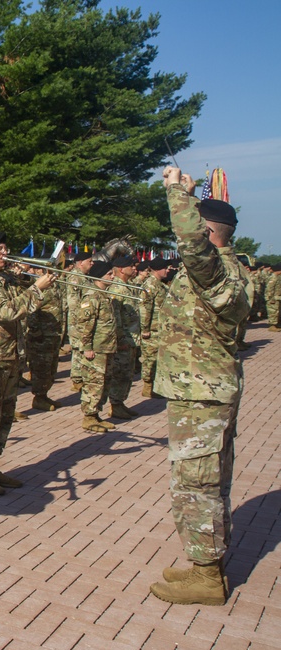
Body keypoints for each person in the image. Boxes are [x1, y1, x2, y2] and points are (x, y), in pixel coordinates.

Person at [148, 166, 253, 606]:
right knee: (207, 482)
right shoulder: (224, 271)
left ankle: (207, 577)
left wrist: (177, 192)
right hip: (202, 392)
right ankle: (203, 561)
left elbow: (191, 245)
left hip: (202, 396)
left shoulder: (218, 272)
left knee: (197, 485)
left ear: (209, 231)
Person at [0, 232, 55, 495]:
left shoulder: (2, 280)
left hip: (10, 355)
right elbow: (7, 311)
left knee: (5, 415)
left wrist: (26, 278)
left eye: (6, 248)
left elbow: (27, 305)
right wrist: (37, 288)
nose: (5, 253)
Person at [76, 261, 119, 433]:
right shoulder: (92, 296)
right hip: (96, 349)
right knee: (94, 383)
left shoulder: (104, 295)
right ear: (99, 276)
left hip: (106, 347)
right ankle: (88, 417)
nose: (113, 276)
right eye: (109, 274)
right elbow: (85, 324)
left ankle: (96, 414)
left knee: (104, 382)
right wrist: (87, 347)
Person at [25, 261, 65, 412]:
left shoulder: (55, 286)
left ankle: (44, 395)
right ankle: (39, 397)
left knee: (51, 368)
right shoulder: (38, 287)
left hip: (53, 334)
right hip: (41, 337)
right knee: (41, 368)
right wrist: (36, 334)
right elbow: (32, 312)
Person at [108, 257, 140, 419]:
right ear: (121, 269)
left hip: (132, 337)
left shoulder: (128, 287)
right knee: (120, 372)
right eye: (131, 266)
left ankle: (120, 402)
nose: (134, 268)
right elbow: (115, 316)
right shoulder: (117, 289)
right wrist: (120, 339)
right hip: (124, 339)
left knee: (128, 372)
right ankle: (115, 404)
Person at [139, 257, 170, 396]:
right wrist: (145, 329)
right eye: (165, 268)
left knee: (157, 359)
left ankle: (155, 386)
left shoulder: (159, 284)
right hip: (152, 330)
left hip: (160, 328)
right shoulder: (150, 285)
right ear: (158, 269)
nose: (167, 270)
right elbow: (146, 309)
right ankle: (148, 387)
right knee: (150, 359)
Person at [65, 251, 94, 392]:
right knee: (77, 349)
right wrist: (80, 321)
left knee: (80, 349)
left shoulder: (83, 277)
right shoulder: (75, 278)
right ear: (81, 262)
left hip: (82, 319)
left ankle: (80, 378)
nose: (92, 263)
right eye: (90, 261)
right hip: (78, 320)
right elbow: (74, 302)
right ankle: (77, 380)